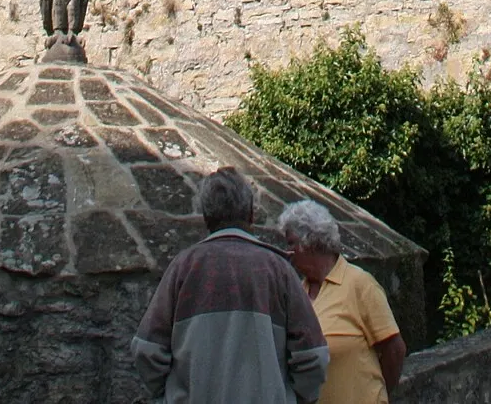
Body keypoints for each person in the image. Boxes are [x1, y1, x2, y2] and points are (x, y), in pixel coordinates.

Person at [131, 166, 330, 404]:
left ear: (206, 217)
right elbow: (313, 357)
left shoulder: (183, 267)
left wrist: (174, 395)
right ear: (250, 214)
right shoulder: (279, 270)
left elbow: (147, 350)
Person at [278, 198, 406, 404]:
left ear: (311, 241)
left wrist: (377, 395)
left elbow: (395, 350)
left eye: (291, 243)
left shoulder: (359, 284)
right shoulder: (297, 293)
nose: (288, 252)